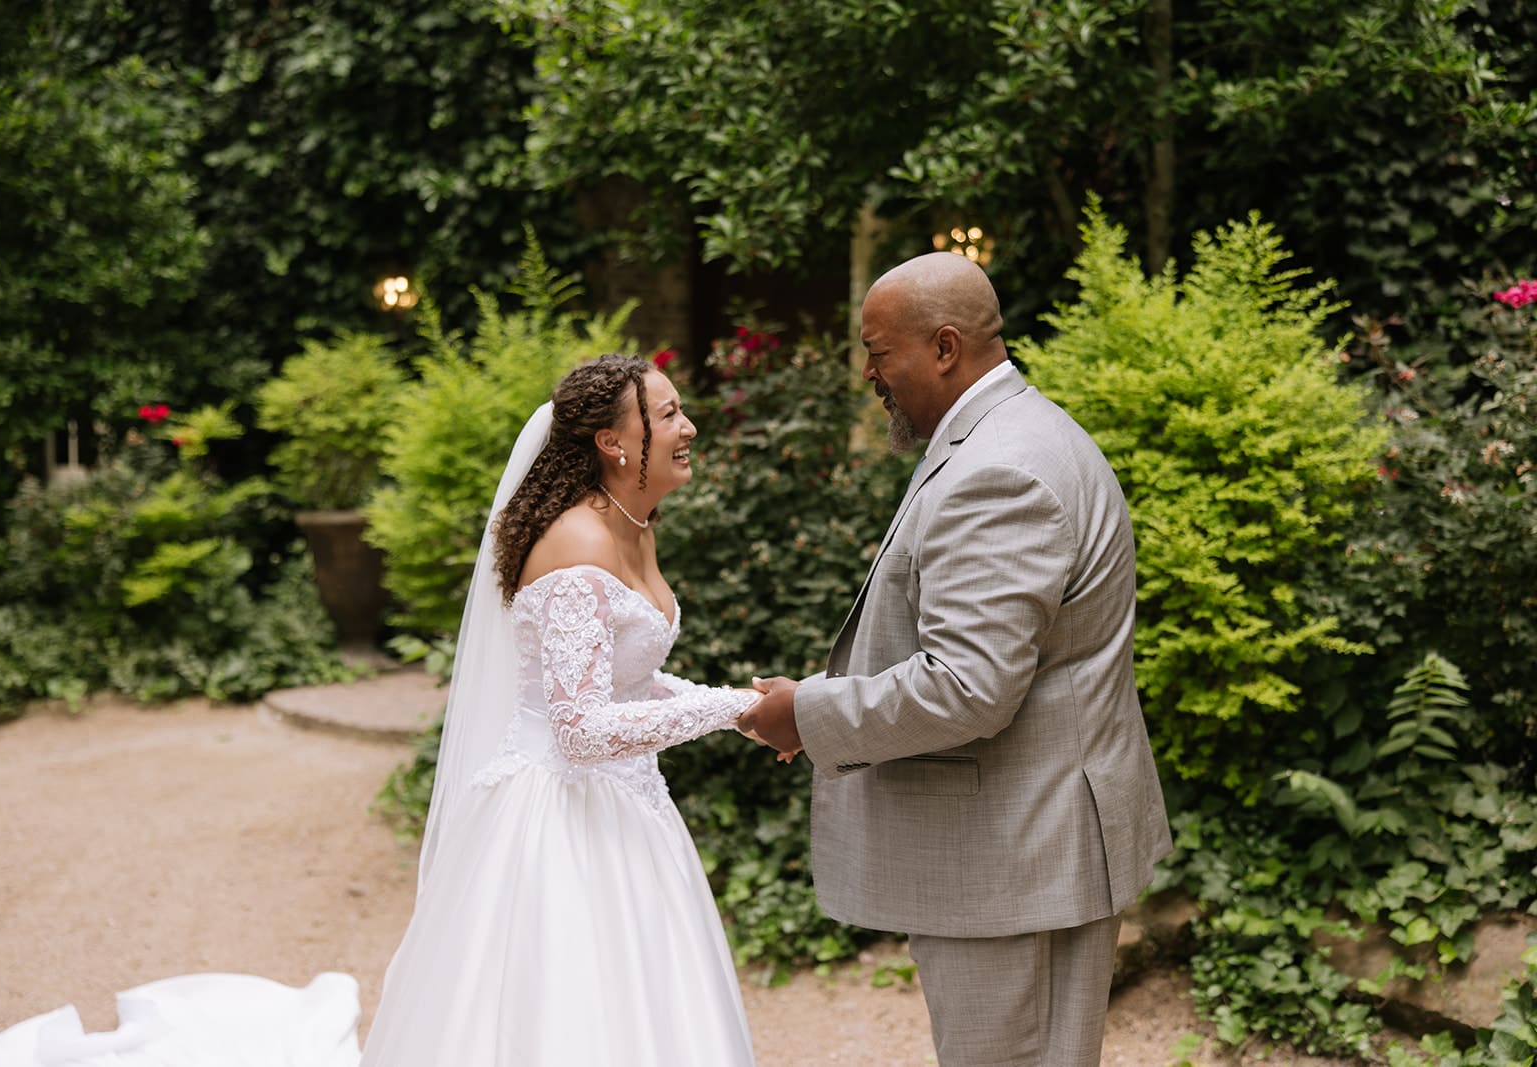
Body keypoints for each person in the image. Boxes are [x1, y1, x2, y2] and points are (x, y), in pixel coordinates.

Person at [739, 253, 1173, 1067]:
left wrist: (806, 712)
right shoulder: (1013, 433)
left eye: (878, 352)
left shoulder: (999, 469)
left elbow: (969, 686)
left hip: (1019, 850)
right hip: (1029, 841)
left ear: (944, 347)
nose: (868, 374)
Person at [359, 355, 759, 1066]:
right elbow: (580, 730)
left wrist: (748, 709)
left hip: (629, 803)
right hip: (561, 816)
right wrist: (731, 708)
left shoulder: (634, 523)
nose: (689, 427)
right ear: (612, 441)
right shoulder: (581, 541)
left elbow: (628, 684)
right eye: (668, 414)